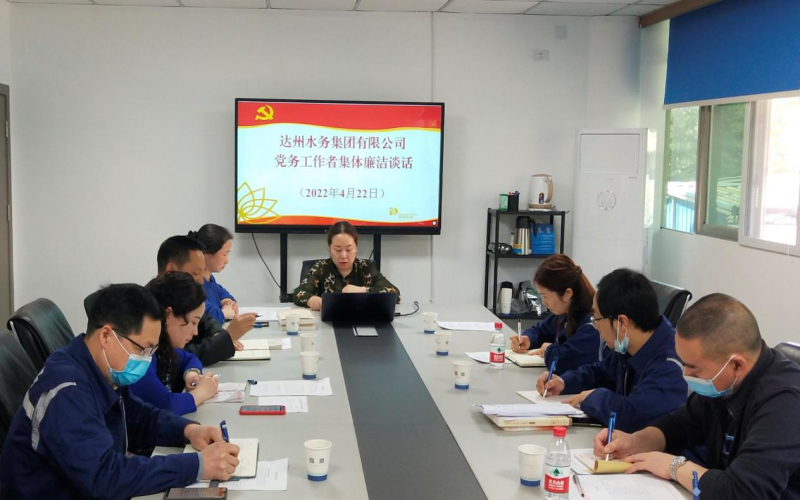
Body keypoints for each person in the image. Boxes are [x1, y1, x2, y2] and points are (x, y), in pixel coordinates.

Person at [0, 284, 240, 499]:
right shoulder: (67, 391)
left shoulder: (99, 368)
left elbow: (136, 418)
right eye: (143, 349)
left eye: (152, 351)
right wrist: (197, 465)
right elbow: (105, 478)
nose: (147, 359)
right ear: (106, 336)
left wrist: (188, 430)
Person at [593, 294, 800, 499]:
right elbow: (681, 424)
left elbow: (744, 492)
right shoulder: (726, 381)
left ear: (737, 365)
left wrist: (674, 466)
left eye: (694, 369)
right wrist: (637, 441)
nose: (686, 374)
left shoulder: (786, 403)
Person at [536, 268, 687, 432]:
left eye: (597, 318)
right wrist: (564, 382)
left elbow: (631, 416)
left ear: (622, 323)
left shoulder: (670, 363)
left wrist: (593, 397)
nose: (595, 326)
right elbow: (601, 373)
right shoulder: (627, 344)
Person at [128, 272, 219, 415]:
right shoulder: (141, 354)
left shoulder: (162, 348)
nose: (195, 332)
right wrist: (201, 392)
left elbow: (189, 358)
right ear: (168, 315)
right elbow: (166, 405)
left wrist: (191, 375)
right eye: (193, 322)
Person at [157, 235, 257, 365]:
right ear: (171, 270)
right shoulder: (151, 307)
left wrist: (219, 333)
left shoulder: (182, 297)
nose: (201, 281)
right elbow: (175, 358)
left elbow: (206, 320)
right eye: (195, 273)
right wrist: (227, 337)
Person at [509, 254, 599, 375]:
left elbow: (564, 361)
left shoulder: (593, 325)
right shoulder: (565, 313)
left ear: (567, 293)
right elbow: (540, 330)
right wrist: (528, 339)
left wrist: (548, 350)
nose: (543, 302)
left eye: (545, 296)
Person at [293, 221, 401, 311]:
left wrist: (363, 290)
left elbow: (395, 293)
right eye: (338, 250)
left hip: (362, 321)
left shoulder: (366, 268)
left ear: (356, 247)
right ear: (329, 248)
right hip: (329, 322)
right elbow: (298, 293)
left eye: (349, 249)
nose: (344, 255)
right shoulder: (321, 268)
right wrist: (310, 300)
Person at [191, 224, 238, 324]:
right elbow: (206, 314)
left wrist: (227, 302)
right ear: (206, 254)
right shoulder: (193, 284)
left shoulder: (210, 279)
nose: (227, 260)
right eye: (224, 254)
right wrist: (224, 313)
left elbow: (223, 293)